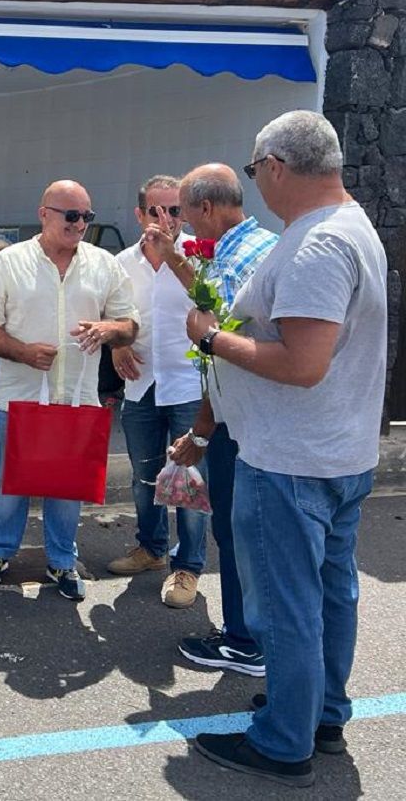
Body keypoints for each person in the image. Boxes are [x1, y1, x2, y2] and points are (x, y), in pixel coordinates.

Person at [190, 112, 387, 786]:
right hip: (336, 452)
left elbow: (303, 363)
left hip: (291, 459)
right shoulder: (347, 228)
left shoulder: (315, 244)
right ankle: (319, 712)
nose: (256, 185)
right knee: (330, 593)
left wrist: (213, 338)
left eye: (253, 172)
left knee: (288, 604)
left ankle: (283, 740)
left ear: (275, 166)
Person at [0, 180, 138, 602]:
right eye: (71, 216)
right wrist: (23, 352)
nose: (80, 224)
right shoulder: (10, 262)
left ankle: (63, 558)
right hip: (21, 394)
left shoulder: (104, 264)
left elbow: (130, 324)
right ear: (44, 214)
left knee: (68, 486)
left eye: (87, 217)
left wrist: (108, 329)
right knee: (9, 483)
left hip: (79, 396)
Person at [150, 163, 277, 677]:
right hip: (245, 418)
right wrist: (173, 258)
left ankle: (247, 639)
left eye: (183, 211)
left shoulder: (245, 260)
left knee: (237, 528)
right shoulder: (249, 248)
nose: (182, 222)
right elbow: (207, 295)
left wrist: (201, 431)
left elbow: (221, 349)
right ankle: (248, 634)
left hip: (241, 422)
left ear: (206, 208)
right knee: (238, 527)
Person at [106, 176, 208, 609]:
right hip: (141, 383)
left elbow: (211, 303)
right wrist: (118, 344)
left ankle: (188, 567)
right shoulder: (121, 263)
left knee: (189, 479)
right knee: (144, 475)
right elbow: (109, 313)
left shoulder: (200, 256)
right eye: (156, 211)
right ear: (139, 214)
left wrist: (174, 257)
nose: (165, 219)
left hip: (186, 384)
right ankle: (151, 548)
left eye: (174, 211)